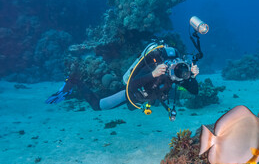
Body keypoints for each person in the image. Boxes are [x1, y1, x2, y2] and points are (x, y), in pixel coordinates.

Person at [46, 41, 200, 121]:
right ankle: (75, 82)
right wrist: (152, 75)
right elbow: (130, 85)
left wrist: (191, 76)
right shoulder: (153, 65)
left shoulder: (178, 72)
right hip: (132, 93)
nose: (176, 68)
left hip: (148, 97)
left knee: (132, 105)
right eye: (172, 64)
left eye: (179, 65)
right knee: (97, 105)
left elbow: (194, 91)